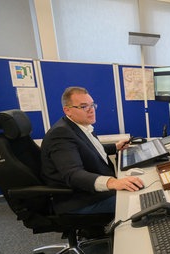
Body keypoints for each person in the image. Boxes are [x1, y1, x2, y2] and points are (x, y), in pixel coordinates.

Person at [41, 86, 143, 214]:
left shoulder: (80, 126)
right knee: (140, 201)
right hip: (80, 200)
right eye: (84, 107)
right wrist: (112, 182)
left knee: (141, 193)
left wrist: (115, 147)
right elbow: (73, 174)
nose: (91, 110)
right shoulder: (61, 134)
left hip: (89, 193)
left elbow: (87, 150)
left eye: (92, 105)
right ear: (67, 110)